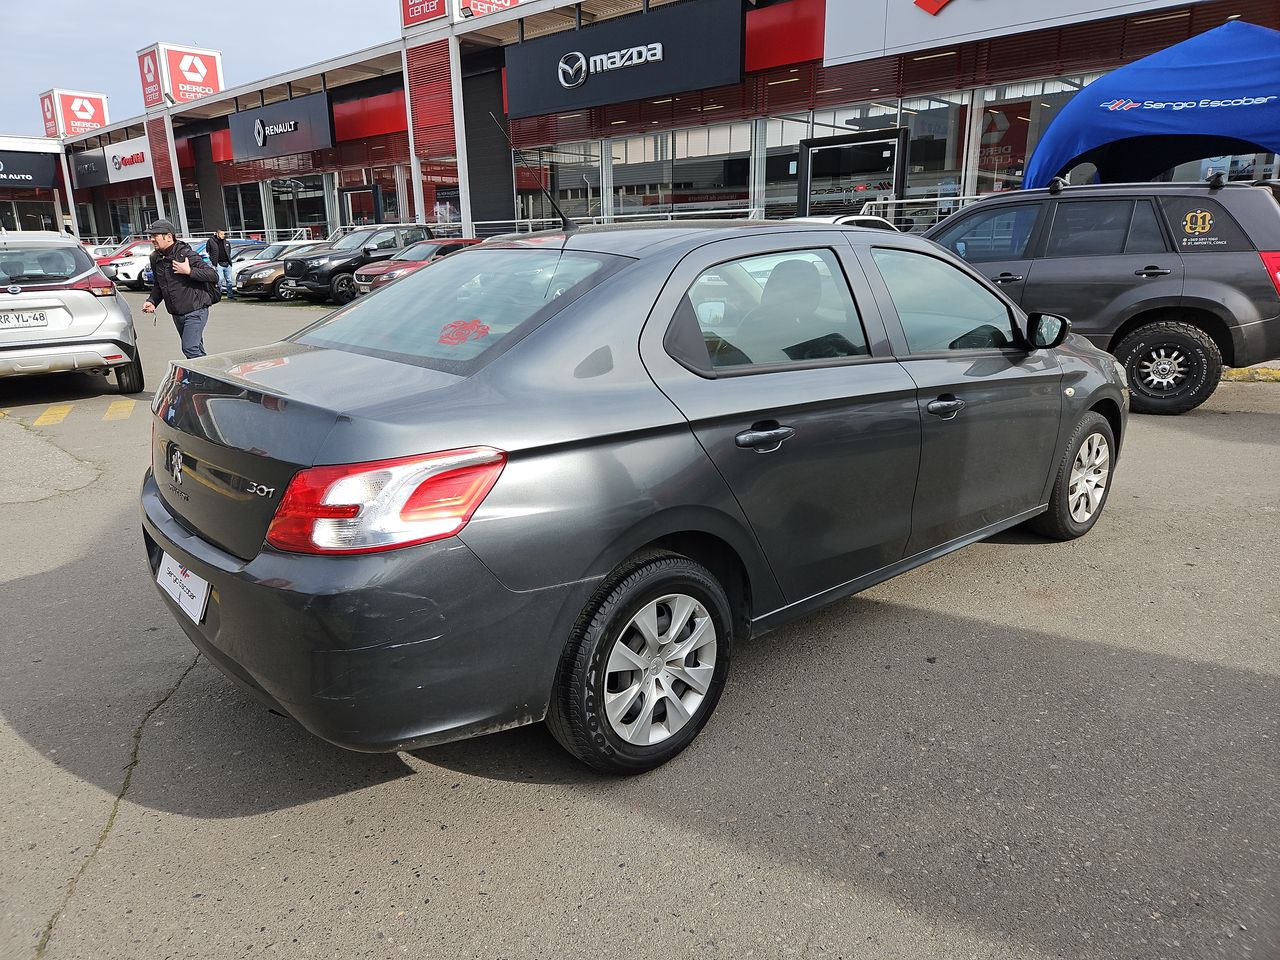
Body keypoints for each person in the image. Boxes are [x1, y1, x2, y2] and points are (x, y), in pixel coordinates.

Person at [142, 220, 219, 360]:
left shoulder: (186, 254)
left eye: (156, 235)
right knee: (196, 350)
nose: (152, 239)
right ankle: (206, 377)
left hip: (196, 310)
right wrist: (152, 301)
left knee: (190, 348)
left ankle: (203, 379)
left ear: (169, 237)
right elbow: (159, 285)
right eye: (151, 236)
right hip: (177, 313)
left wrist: (189, 271)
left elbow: (213, 275)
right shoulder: (156, 257)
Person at [206, 228, 235, 301]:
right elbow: (208, 250)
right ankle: (219, 295)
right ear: (217, 234)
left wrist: (229, 261)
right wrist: (213, 260)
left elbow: (229, 251)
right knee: (220, 279)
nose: (223, 235)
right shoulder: (211, 241)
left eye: (224, 234)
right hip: (218, 264)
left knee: (229, 280)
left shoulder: (226, 242)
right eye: (221, 234)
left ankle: (230, 295)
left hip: (227, 263)